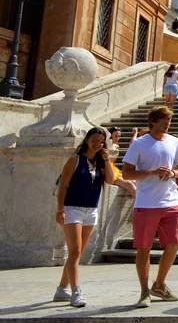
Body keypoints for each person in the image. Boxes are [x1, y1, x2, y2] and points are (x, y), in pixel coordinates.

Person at [122, 107, 178, 308]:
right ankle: (144, 291)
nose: (167, 123)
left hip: (171, 200)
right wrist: (151, 172)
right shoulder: (139, 144)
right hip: (146, 203)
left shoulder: (174, 141)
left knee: (174, 243)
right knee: (144, 248)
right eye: (163, 120)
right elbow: (126, 173)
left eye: (169, 120)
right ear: (153, 121)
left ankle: (159, 284)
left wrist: (173, 174)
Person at [53, 127, 115, 307]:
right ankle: (76, 292)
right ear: (87, 139)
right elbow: (63, 185)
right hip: (72, 208)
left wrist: (107, 160)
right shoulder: (75, 160)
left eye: (101, 141)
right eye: (94, 139)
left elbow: (111, 180)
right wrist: (60, 209)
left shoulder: (100, 162)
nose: (97, 143)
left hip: (91, 210)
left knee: (77, 253)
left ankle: (62, 288)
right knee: (74, 251)